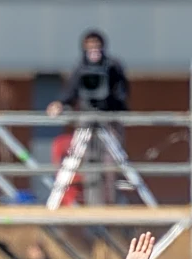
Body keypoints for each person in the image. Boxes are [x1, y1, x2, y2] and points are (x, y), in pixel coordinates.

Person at [47, 29, 130, 205]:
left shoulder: (113, 66)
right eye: (89, 46)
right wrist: (60, 104)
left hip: (110, 120)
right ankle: (94, 205)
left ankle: (112, 206)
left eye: (96, 46)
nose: (93, 50)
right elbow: (71, 91)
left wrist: (111, 100)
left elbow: (122, 92)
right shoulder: (80, 68)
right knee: (89, 165)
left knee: (110, 166)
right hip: (86, 120)